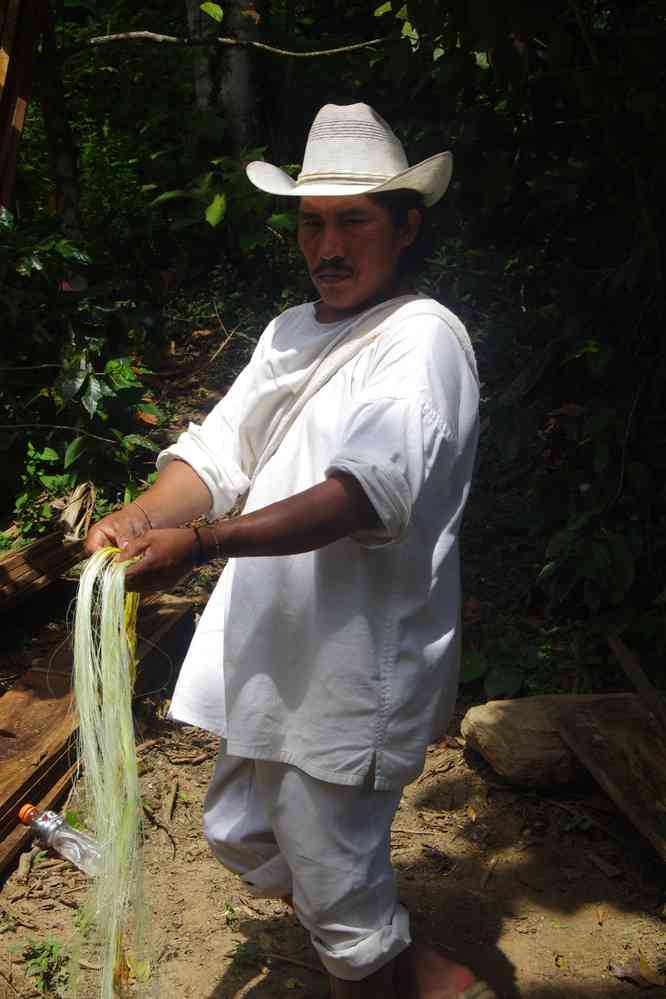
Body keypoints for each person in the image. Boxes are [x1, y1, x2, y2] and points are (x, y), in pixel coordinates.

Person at [85, 103, 491, 998]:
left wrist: (198, 545)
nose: (329, 244)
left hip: (354, 666)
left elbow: (359, 494)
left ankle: (382, 969)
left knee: (344, 911)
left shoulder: (421, 341)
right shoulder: (288, 332)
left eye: (354, 219)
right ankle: (432, 977)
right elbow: (217, 453)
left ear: (406, 225)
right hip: (276, 654)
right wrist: (143, 515)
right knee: (242, 829)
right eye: (313, 222)